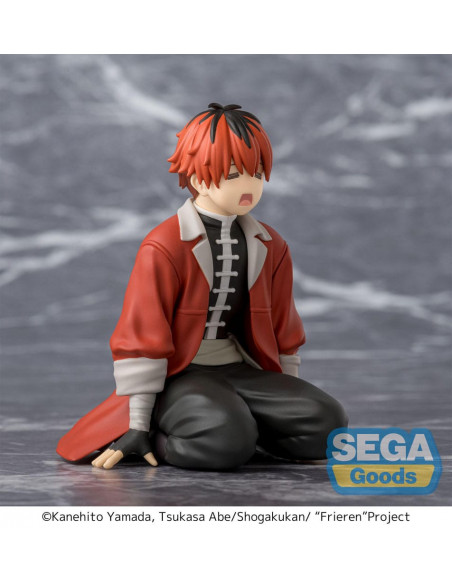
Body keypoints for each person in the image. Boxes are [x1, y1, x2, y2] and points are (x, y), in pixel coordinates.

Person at [57, 103, 347, 470]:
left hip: (241, 367)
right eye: (232, 174)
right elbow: (142, 335)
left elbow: (283, 328)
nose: (249, 186)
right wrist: (138, 424)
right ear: (197, 177)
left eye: (257, 173)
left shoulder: (271, 244)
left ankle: (241, 429)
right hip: (180, 373)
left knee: (326, 424)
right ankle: (168, 433)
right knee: (224, 442)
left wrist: (289, 395)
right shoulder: (165, 245)